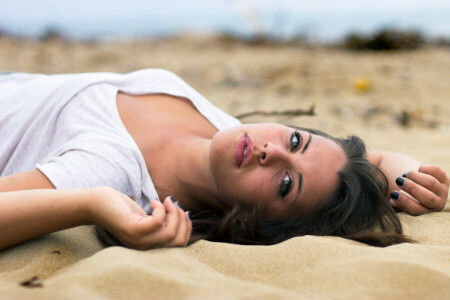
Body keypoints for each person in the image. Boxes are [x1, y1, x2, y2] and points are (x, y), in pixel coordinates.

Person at [0, 69, 448, 251]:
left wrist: (90, 203)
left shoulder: (111, 171)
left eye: (285, 185)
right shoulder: (226, 127)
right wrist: (412, 178)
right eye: (295, 139)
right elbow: (375, 157)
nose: (271, 153)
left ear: (255, 221)